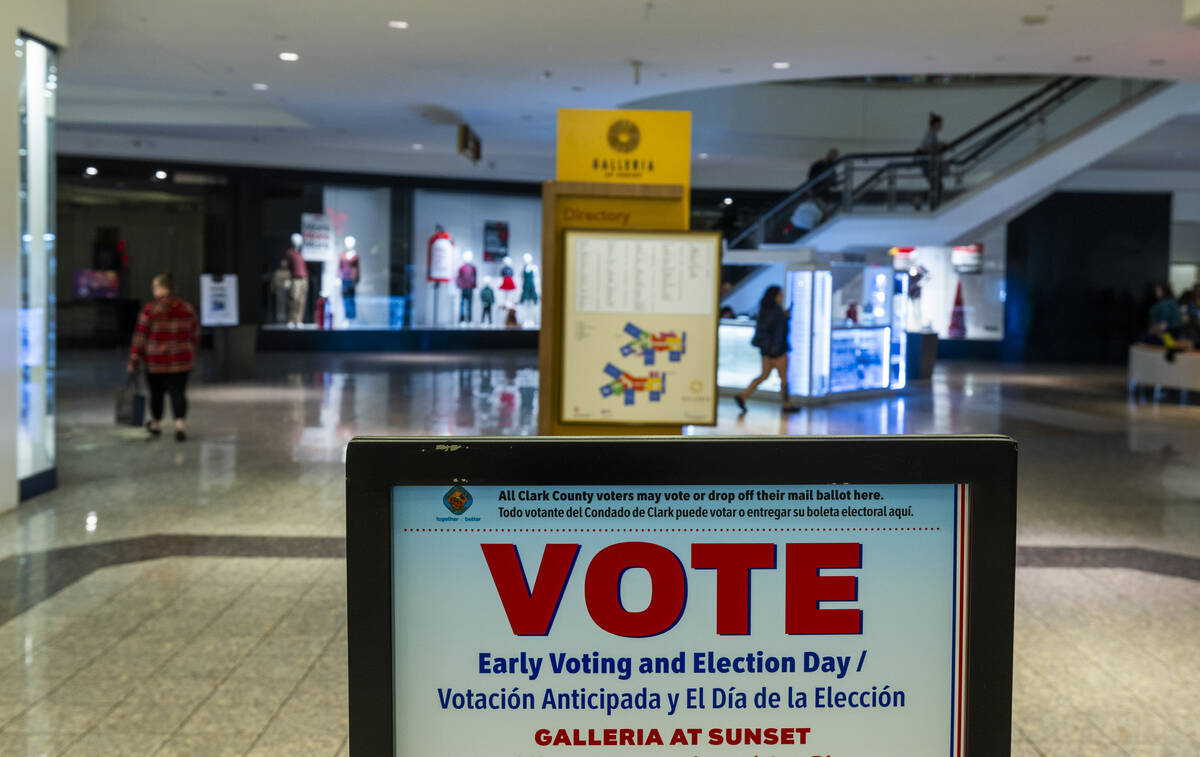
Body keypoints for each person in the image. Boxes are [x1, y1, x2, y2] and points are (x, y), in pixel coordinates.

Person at [128, 272, 200, 442]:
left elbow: (140, 337)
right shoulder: (187, 308)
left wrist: (134, 359)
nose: (153, 290)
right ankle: (180, 426)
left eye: (155, 287)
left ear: (162, 288)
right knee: (178, 393)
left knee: (156, 393)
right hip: (181, 360)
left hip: (155, 362)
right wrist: (187, 349)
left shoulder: (150, 309)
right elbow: (195, 334)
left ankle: (156, 424)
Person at [735, 285, 798, 414]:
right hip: (778, 351)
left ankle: (743, 395)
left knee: (764, 375)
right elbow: (780, 333)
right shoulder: (777, 312)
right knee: (783, 378)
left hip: (766, 351)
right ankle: (786, 404)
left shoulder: (764, 310)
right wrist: (785, 318)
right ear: (775, 296)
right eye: (780, 295)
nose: (782, 298)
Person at [918, 113, 945, 210]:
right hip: (927, 164)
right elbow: (929, 147)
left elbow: (931, 146)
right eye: (940, 124)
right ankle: (924, 202)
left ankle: (921, 200)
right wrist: (937, 156)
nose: (941, 126)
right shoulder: (930, 134)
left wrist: (940, 145)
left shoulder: (932, 134)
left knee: (936, 185)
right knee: (937, 185)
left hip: (928, 164)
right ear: (935, 124)